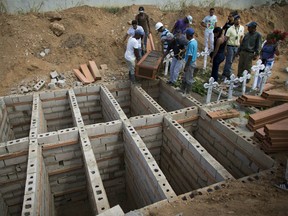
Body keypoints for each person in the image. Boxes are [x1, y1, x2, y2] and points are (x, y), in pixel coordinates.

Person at [222, 15, 244, 80]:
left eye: (239, 19)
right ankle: (227, 75)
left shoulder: (242, 28)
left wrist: (241, 47)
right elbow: (226, 39)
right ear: (234, 21)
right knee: (229, 61)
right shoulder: (230, 29)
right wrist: (225, 49)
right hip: (230, 46)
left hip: (237, 46)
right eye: (236, 20)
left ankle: (225, 73)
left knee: (232, 61)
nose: (238, 21)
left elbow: (241, 38)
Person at [182, 28, 198, 94]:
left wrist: (186, 66)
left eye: (186, 34)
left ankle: (188, 93)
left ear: (188, 35)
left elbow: (190, 56)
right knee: (185, 77)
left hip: (190, 63)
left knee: (189, 79)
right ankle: (183, 90)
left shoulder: (191, 44)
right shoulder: (194, 42)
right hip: (192, 62)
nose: (185, 36)